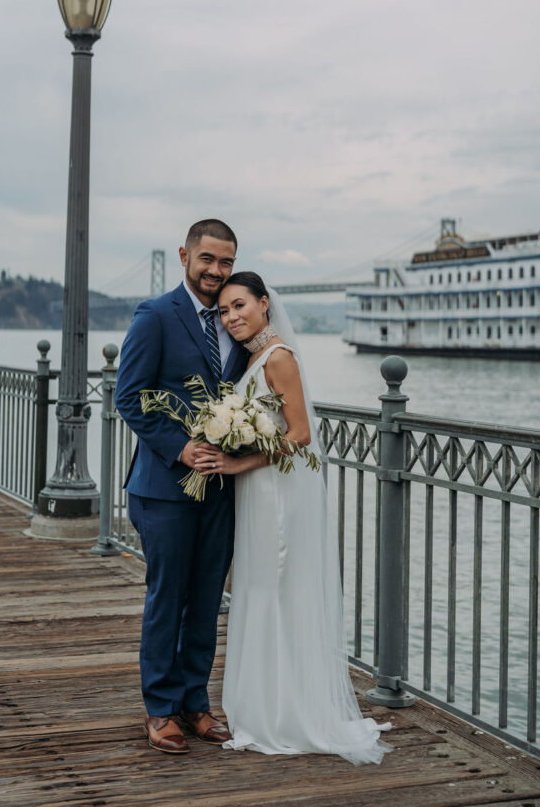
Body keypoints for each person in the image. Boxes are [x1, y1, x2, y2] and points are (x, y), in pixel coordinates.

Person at [193, 271, 392, 764]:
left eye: (240, 305)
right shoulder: (255, 357)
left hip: (275, 490)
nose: (232, 316)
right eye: (223, 310)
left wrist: (238, 459)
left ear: (264, 304)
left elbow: (300, 433)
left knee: (275, 589)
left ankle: (283, 714)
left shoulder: (279, 357)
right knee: (259, 588)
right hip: (257, 490)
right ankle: (263, 704)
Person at [115, 220, 249, 754]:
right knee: (167, 597)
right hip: (164, 487)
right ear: (184, 256)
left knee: (207, 598)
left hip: (219, 488)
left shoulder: (236, 320)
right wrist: (180, 447)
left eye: (226, 262)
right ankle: (161, 709)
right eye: (208, 260)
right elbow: (130, 396)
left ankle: (196, 703)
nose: (217, 272)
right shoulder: (155, 316)